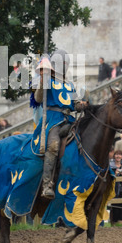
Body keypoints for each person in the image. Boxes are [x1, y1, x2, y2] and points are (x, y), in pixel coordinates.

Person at [32, 49, 87, 199]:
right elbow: (37, 99)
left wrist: (81, 105)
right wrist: (43, 81)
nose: (64, 66)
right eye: (61, 63)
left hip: (68, 119)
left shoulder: (70, 84)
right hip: (53, 119)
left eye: (66, 63)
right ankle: (47, 184)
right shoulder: (48, 80)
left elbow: (74, 104)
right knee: (53, 146)